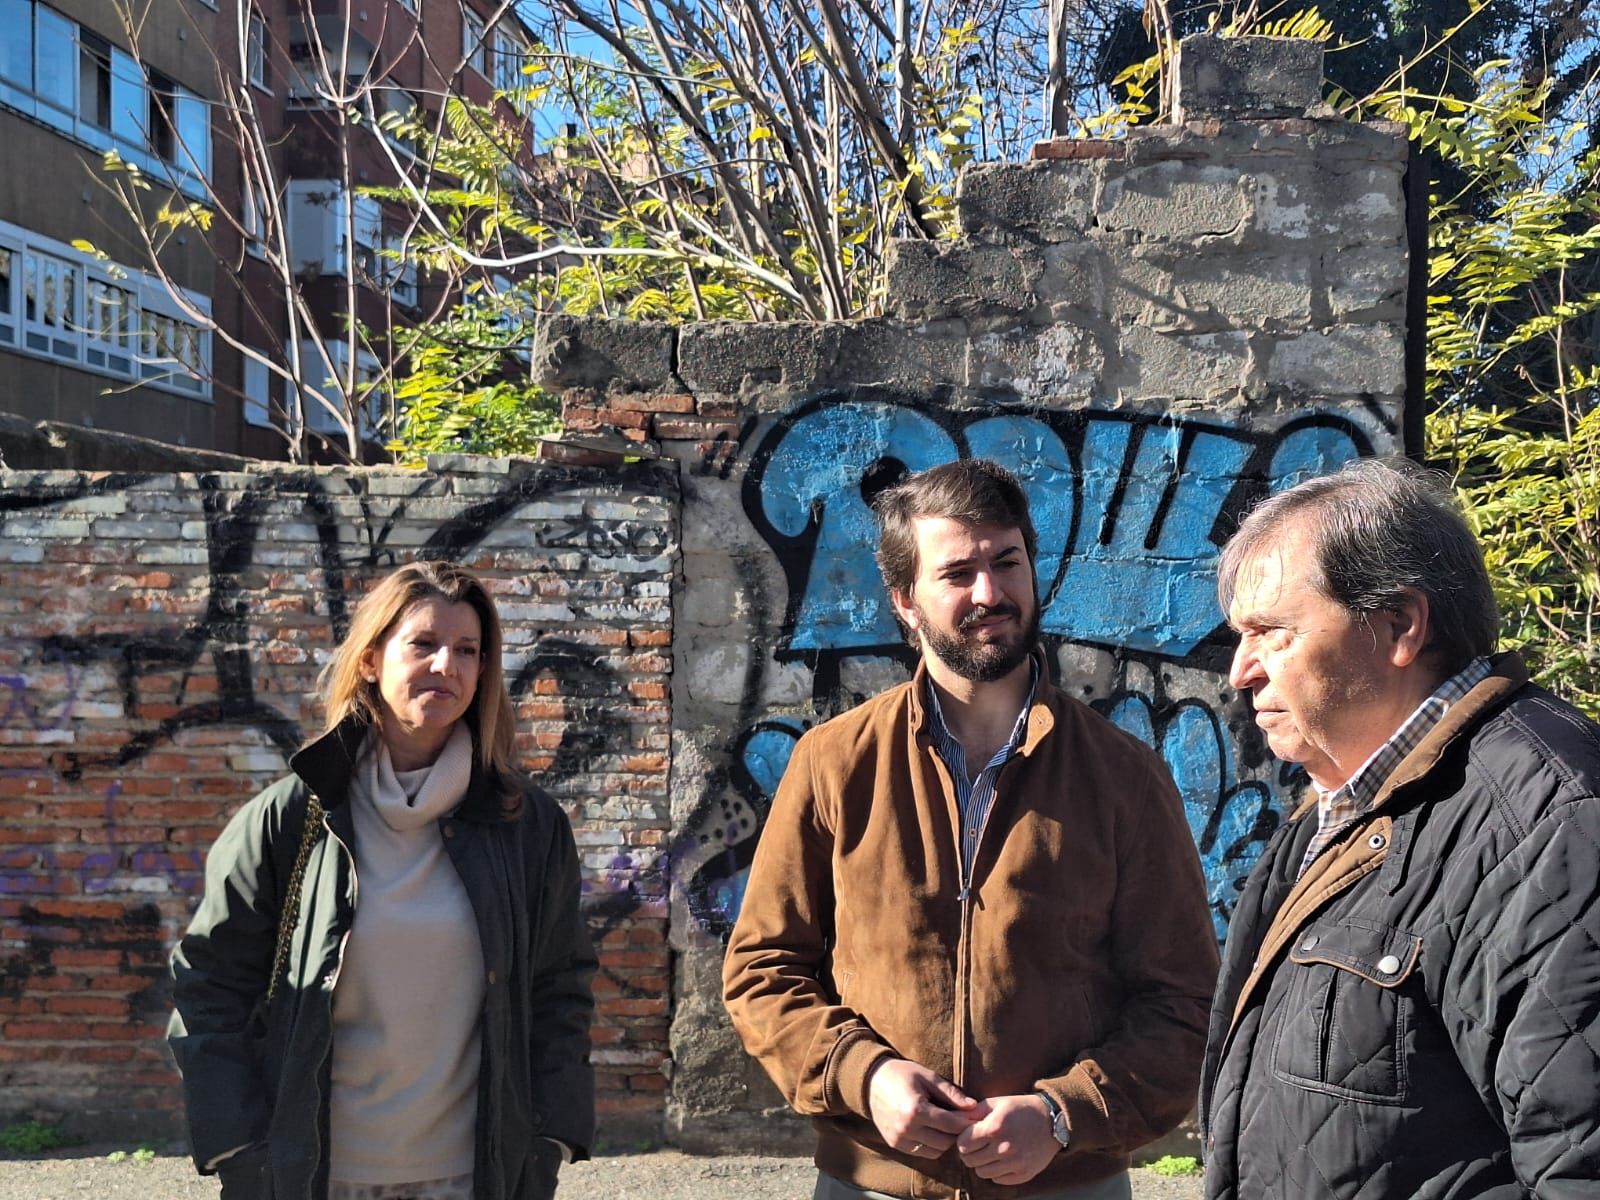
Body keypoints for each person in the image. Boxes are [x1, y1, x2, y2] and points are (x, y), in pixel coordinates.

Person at [723, 459, 1218, 1200]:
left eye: (1006, 563)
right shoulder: (833, 766)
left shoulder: (1125, 777)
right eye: (957, 573)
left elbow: (1185, 1004)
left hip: (1068, 1186)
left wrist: (1061, 1114)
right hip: (874, 1186)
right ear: (905, 603)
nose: (990, 593)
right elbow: (762, 970)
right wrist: (866, 1076)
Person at [1200, 457, 1600, 1198]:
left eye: (1272, 633)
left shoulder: (1552, 826)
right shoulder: (1343, 803)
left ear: (1399, 626)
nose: (1241, 670)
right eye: (1240, 636)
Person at [169, 561, 595, 1200]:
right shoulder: (290, 817)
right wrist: (239, 1148)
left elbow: (559, 988)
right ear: (371, 660)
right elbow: (209, 986)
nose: (446, 666)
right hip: (316, 1172)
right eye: (422, 644)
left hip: (476, 1173)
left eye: (467, 651)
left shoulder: (527, 825)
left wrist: (548, 1141)